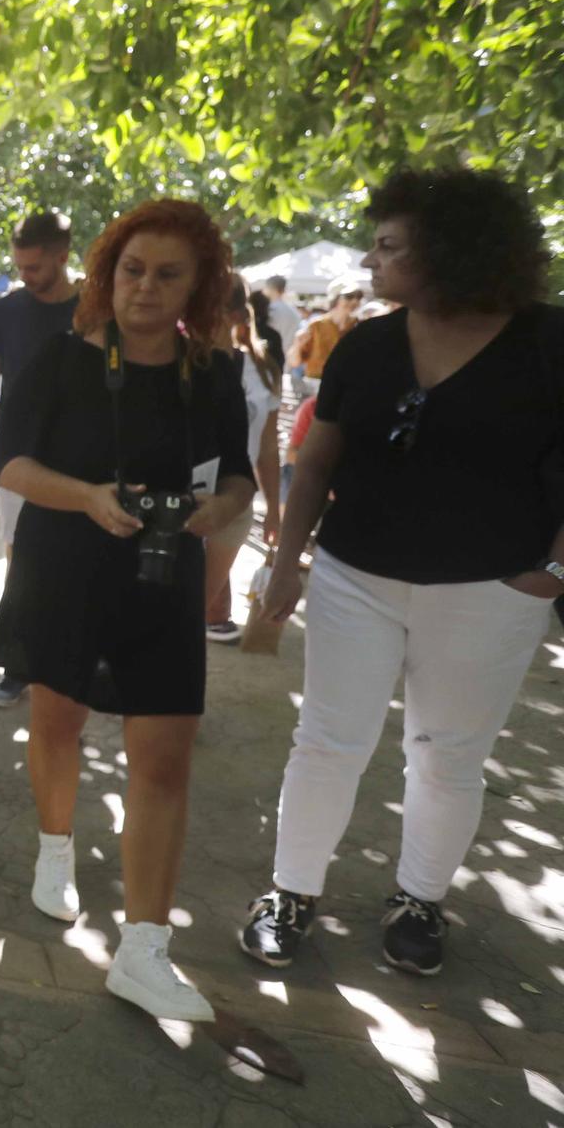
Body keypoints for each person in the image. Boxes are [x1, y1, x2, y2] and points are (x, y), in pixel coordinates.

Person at [243, 168, 563, 978]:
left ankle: (419, 900)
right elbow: (315, 463)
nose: (370, 259)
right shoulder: (370, 345)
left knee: (447, 755)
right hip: (357, 577)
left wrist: (550, 571)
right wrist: (287, 565)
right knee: (327, 742)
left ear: (452, 251)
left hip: (491, 590)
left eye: (389, 245)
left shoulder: (548, 343)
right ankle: (291, 893)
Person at [0, 199, 255, 1023]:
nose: (146, 287)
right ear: (109, 272)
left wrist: (221, 510)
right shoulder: (63, 360)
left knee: (166, 756)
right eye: (133, 269)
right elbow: (9, 464)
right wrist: (87, 497)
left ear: (199, 285)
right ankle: (56, 850)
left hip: (163, 572)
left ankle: (144, 950)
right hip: (63, 567)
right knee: (57, 723)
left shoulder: (214, 373)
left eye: (168, 273)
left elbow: (241, 476)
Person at [0, 211, 81, 707]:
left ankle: (69, 673)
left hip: (84, 458)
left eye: (36, 267)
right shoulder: (2, 313)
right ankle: (19, 664)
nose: (26, 276)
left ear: (63, 255)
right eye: (20, 266)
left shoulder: (94, 309)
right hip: (18, 460)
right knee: (22, 565)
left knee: (76, 568)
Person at [202, 276, 284, 643]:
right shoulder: (177, 358)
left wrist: (275, 511)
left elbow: (267, 448)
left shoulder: (261, 369)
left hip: (235, 499)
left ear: (236, 315)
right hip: (183, 497)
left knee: (192, 606)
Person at [288, 278, 364, 384]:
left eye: (359, 296)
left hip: (348, 384)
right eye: (349, 296)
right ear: (335, 298)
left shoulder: (360, 326)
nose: (355, 301)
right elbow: (294, 363)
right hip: (317, 384)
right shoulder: (316, 325)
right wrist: (297, 344)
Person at [262, 275, 302, 348]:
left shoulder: (268, 311)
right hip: (289, 356)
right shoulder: (295, 312)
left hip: (272, 356)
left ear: (269, 289)